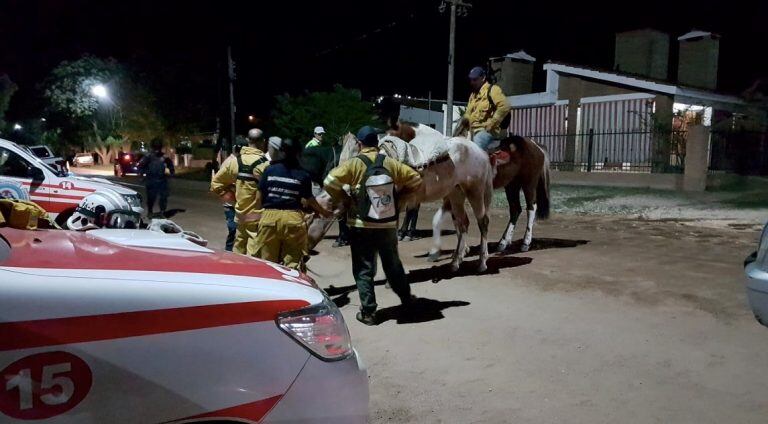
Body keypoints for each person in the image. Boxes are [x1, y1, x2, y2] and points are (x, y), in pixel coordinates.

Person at [324, 126, 423, 325]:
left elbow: (330, 181)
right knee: (393, 265)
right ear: (377, 143)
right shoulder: (390, 163)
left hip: (361, 225)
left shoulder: (354, 164)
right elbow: (416, 179)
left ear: (360, 144)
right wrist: (400, 199)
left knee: (364, 269)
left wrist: (344, 199)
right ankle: (406, 300)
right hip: (387, 225)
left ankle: (369, 312)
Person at [253, 138, 331, 271]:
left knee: (267, 263)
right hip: (292, 219)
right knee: (292, 265)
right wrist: (324, 212)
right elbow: (310, 200)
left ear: (282, 152)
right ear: (298, 154)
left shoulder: (269, 170)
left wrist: (260, 215)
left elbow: (259, 197)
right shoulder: (303, 174)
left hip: (269, 218)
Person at [210, 128, 269, 255]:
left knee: (238, 252)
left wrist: (232, 197)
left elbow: (215, 184)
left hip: (240, 215)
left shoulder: (234, 162)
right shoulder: (265, 165)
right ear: (263, 142)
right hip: (257, 218)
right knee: (254, 254)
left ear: (248, 140)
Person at [456, 66, 511, 152]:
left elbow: (505, 106)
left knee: (475, 150)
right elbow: (468, 113)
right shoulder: (473, 95)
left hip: (489, 131)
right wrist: (463, 123)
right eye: (471, 80)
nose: (472, 82)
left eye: (475, 80)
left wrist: (492, 122)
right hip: (473, 131)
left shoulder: (493, 90)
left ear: (483, 78)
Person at [216, 136, 247, 251]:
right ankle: (228, 252)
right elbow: (219, 182)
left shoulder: (240, 161)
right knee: (233, 229)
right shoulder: (230, 162)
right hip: (230, 203)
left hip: (238, 202)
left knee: (239, 231)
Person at [138, 137, 175, 217]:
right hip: (151, 179)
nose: (157, 149)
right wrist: (142, 175)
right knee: (151, 198)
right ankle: (150, 212)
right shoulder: (148, 157)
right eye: (156, 147)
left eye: (158, 147)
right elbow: (140, 166)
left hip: (162, 180)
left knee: (164, 197)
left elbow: (170, 166)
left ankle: (162, 211)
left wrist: (171, 172)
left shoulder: (165, 157)